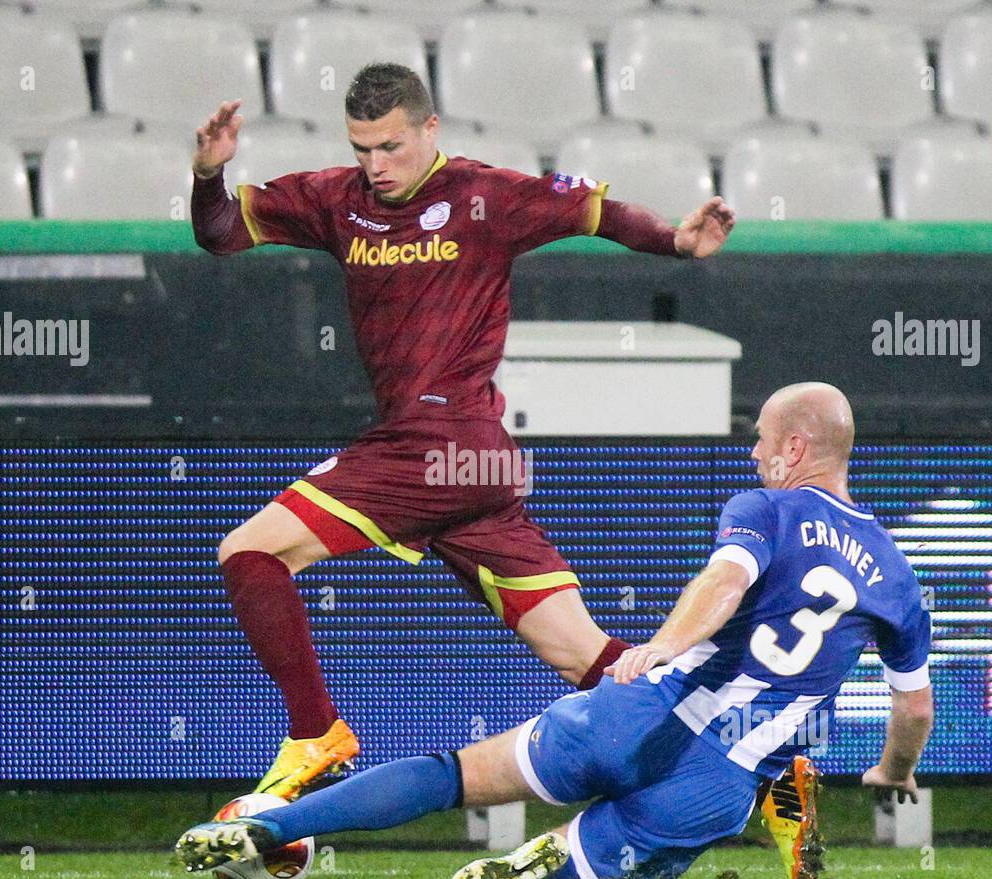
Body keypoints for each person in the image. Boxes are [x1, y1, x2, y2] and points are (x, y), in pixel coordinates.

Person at [189, 61, 736, 799]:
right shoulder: (334, 200)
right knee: (586, 656)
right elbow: (220, 232)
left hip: (438, 449)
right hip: (472, 471)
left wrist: (674, 240)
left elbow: (596, 214)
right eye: (362, 149)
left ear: (429, 129)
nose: (375, 166)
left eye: (390, 146)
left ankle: (315, 731)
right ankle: (745, 767)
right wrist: (206, 176)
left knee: (249, 550)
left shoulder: (487, 195)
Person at [176, 383, 935, 879]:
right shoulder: (897, 576)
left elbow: (724, 582)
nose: (754, 454)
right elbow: (914, 713)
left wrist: (664, 646)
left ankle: (270, 824)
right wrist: (890, 773)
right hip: (716, 786)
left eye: (763, 440)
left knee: (453, 774)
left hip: (631, 715)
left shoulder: (767, 508)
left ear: (796, 449)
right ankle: (542, 864)